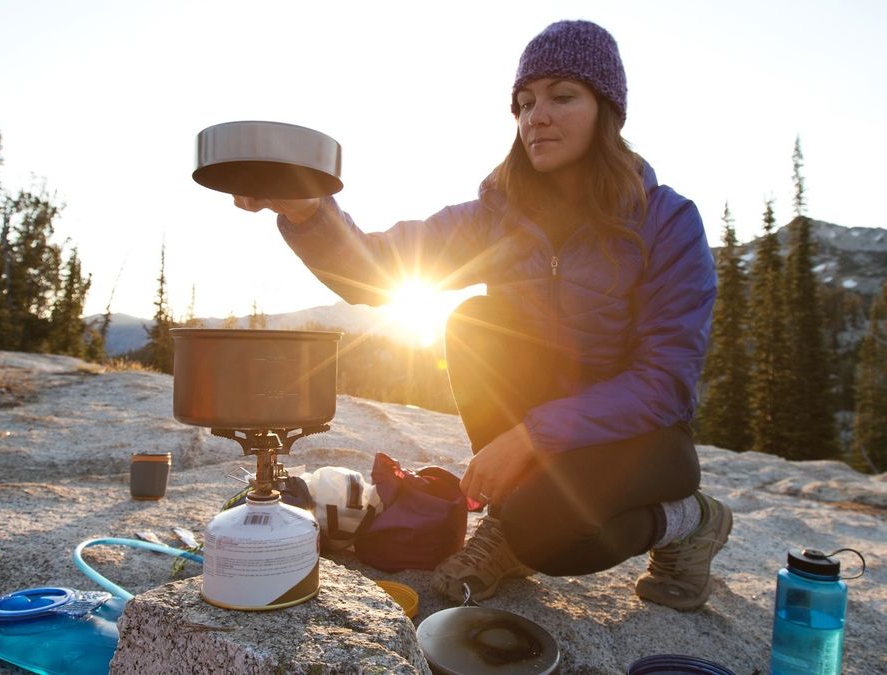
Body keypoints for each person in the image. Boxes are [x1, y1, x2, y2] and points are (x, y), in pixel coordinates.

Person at [232, 19, 732, 611]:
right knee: (472, 325)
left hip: (638, 436)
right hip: (546, 424)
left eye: (562, 96)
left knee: (555, 542)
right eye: (523, 103)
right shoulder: (499, 215)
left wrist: (532, 437)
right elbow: (376, 269)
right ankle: (517, 517)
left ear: (607, 110)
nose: (535, 117)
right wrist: (309, 212)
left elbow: (665, 384)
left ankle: (688, 520)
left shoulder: (666, 221)